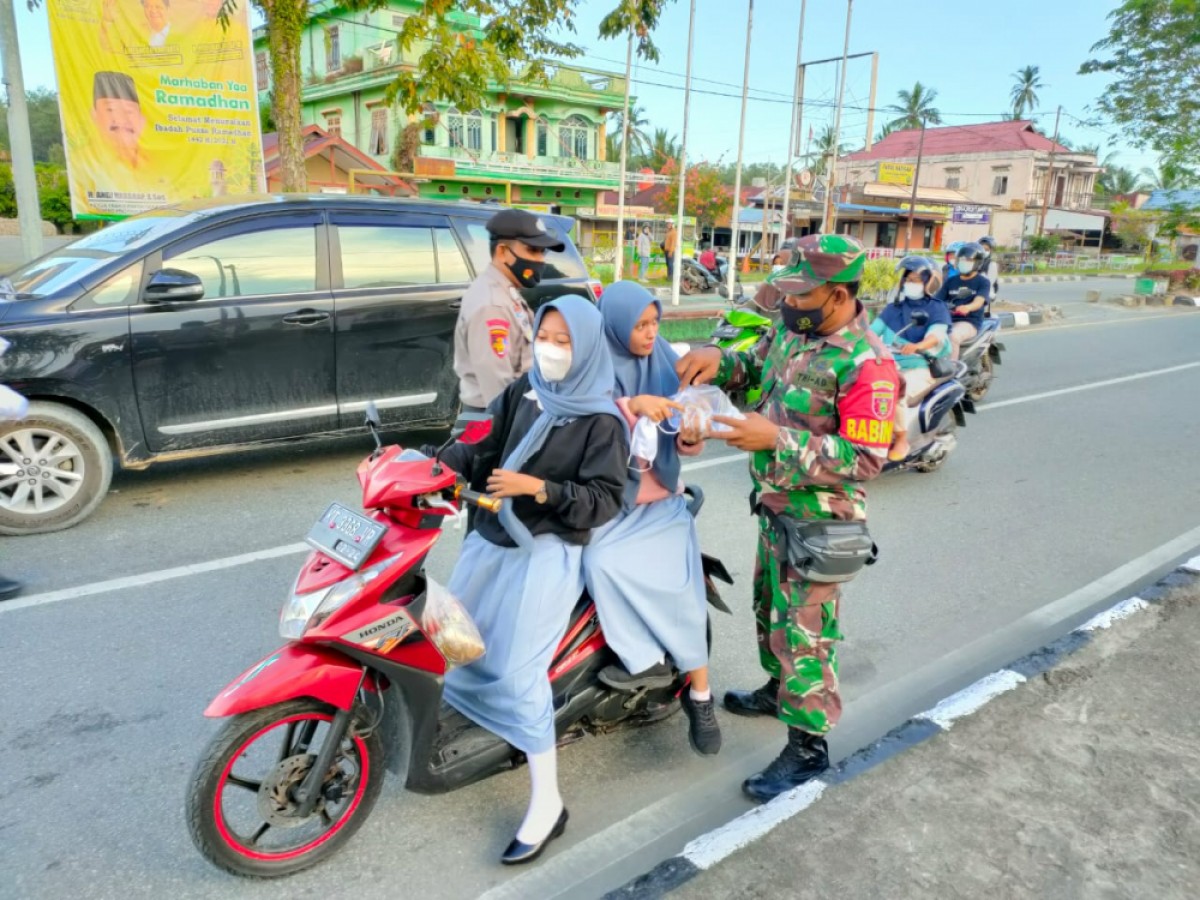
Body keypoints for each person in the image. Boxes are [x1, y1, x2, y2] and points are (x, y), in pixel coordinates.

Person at [674, 234, 901, 803]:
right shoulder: (793, 329)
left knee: (804, 633)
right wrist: (720, 361)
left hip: (820, 520)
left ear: (841, 294)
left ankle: (807, 747)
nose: (788, 302)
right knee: (767, 608)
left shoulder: (866, 364)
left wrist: (776, 438)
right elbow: (755, 369)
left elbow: (866, 458)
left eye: (803, 293)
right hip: (777, 507)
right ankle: (778, 690)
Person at [438, 295, 629, 865]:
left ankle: (547, 804)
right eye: (544, 335)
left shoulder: (602, 420)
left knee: (518, 671)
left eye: (565, 340)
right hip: (491, 539)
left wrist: (538, 490)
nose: (550, 347)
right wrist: (420, 464)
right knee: (459, 643)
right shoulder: (525, 391)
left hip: (544, 550)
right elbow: (478, 446)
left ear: (589, 347)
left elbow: (604, 500)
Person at [582, 281, 721, 756]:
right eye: (639, 325)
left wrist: (689, 436)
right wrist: (628, 408)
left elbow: (689, 437)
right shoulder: (591, 362)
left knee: (683, 590)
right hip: (610, 498)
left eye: (654, 322)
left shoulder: (665, 360)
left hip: (660, 497)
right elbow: (582, 417)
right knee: (593, 558)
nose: (648, 333)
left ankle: (701, 698)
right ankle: (642, 659)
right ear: (617, 324)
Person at [454, 208, 562, 414]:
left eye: (542, 252)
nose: (540, 260)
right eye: (532, 250)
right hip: (493, 419)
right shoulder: (492, 304)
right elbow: (497, 389)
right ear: (502, 252)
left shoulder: (504, 292)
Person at [873, 257, 952, 461]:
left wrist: (917, 346)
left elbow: (936, 335)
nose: (911, 283)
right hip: (889, 364)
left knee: (894, 391)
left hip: (920, 365)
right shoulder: (894, 308)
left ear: (929, 282)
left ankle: (901, 438)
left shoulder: (936, 308)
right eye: (908, 278)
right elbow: (871, 333)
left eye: (917, 279)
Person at [936, 242, 991, 359]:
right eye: (961, 260)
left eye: (968, 260)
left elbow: (979, 301)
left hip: (968, 322)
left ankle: (951, 371)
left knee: (953, 336)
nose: (963, 263)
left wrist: (968, 307)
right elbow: (937, 300)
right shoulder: (951, 281)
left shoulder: (983, 282)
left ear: (977, 263)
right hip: (946, 320)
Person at [91, 72, 148, 171]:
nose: (121, 119)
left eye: (129, 111)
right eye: (111, 109)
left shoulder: (157, 165)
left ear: (142, 120)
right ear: (94, 115)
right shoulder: (85, 164)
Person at [978, 235, 1000, 305]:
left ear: (991, 251)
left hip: (986, 293)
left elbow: (989, 282)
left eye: (987, 250)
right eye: (982, 249)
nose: (984, 251)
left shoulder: (992, 264)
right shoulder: (976, 261)